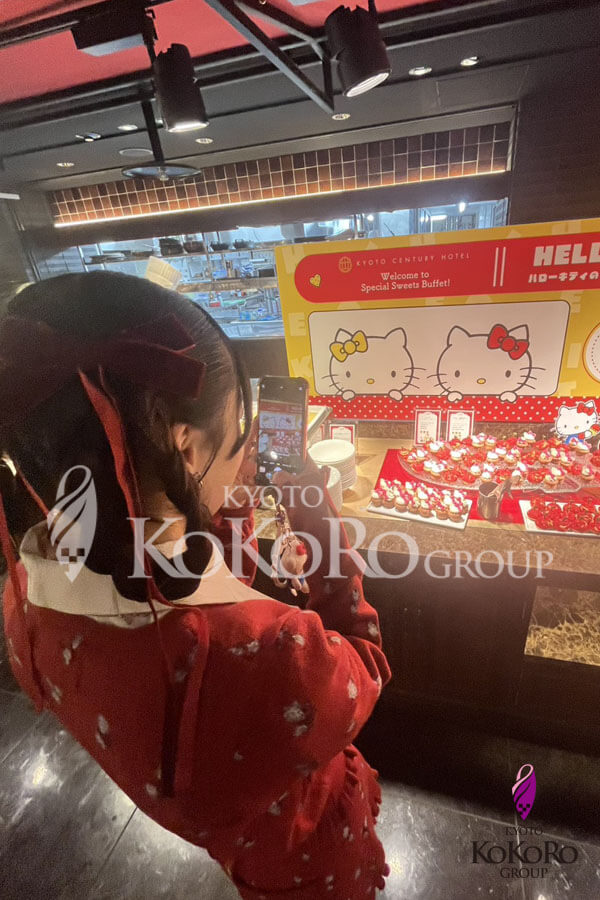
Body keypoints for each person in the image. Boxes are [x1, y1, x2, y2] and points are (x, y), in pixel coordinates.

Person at [0, 272, 392, 899]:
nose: (242, 450)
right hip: (313, 847)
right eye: (236, 431)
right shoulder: (275, 652)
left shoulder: (25, 601)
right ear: (184, 447)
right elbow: (364, 665)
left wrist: (214, 502)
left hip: (240, 841)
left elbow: (187, 579)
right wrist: (323, 529)